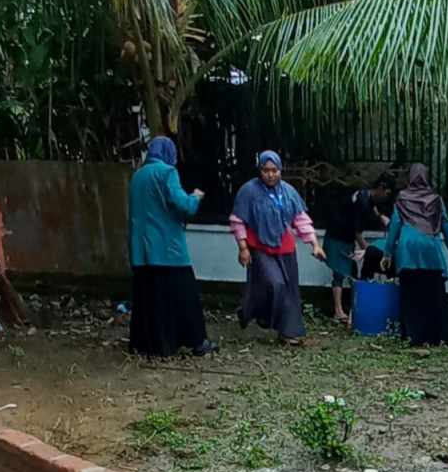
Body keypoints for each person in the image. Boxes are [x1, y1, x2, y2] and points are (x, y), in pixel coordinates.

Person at [128, 137, 217, 358]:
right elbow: (183, 205)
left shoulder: (137, 176)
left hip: (142, 250)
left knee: (148, 299)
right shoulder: (167, 172)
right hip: (168, 249)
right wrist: (195, 197)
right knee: (184, 296)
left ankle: (148, 346)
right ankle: (197, 342)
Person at [230, 151, 326, 345]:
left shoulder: (289, 192)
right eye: (266, 170)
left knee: (289, 290)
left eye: (275, 170)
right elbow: (238, 220)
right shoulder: (249, 191)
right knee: (275, 284)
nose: (271, 175)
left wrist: (314, 244)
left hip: (285, 247)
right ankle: (260, 314)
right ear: (260, 171)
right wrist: (243, 247)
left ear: (280, 170)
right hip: (259, 246)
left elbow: (300, 220)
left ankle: (289, 332)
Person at [383, 164, 448, 346]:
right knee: (434, 294)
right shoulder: (436, 200)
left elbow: (394, 227)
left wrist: (387, 254)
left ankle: (412, 336)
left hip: (407, 250)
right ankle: (439, 336)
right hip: (430, 250)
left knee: (410, 295)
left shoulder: (402, 198)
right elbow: (447, 227)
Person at [322, 174, 395, 322]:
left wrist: (381, 216)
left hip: (343, 237)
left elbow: (372, 208)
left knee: (352, 272)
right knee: (340, 272)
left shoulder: (365, 194)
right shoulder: (363, 202)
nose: (387, 197)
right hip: (337, 237)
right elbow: (358, 232)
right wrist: (368, 252)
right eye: (387, 193)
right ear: (380, 189)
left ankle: (352, 310)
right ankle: (338, 311)